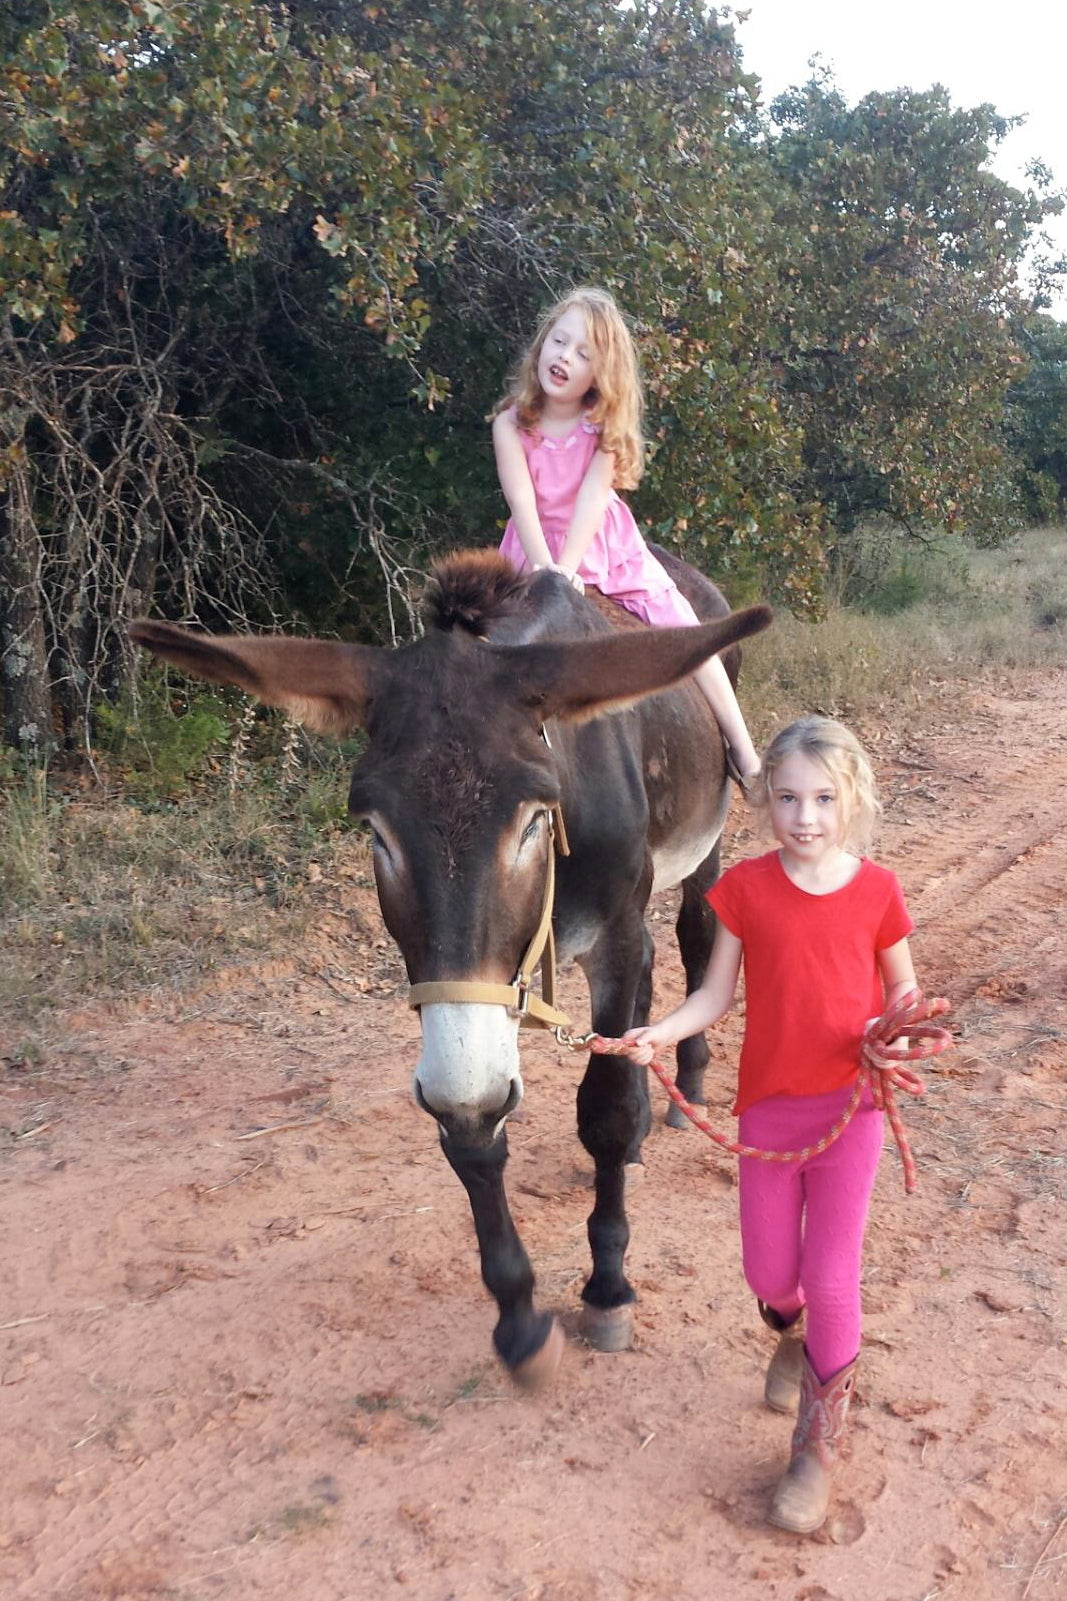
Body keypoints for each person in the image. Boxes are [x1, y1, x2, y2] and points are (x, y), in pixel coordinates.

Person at [619, 715, 919, 1535]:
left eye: (823, 797)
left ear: (851, 798)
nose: (805, 816)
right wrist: (662, 1032)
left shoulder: (877, 890)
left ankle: (815, 1450)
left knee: (830, 1276)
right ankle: (789, 1335)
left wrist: (892, 1031)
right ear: (763, 802)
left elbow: (902, 990)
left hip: (849, 1111)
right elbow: (716, 994)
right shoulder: (745, 889)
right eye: (786, 797)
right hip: (769, 1112)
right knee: (767, 1275)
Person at [492, 285, 761, 789]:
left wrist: (568, 569)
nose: (564, 358)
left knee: (686, 632)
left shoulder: (601, 429)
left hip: (602, 545)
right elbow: (522, 501)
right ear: (541, 344)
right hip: (531, 547)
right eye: (559, 342)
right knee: (477, 645)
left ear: (600, 372)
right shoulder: (511, 422)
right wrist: (547, 570)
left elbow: (592, 502)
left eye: (583, 354)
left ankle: (744, 751)